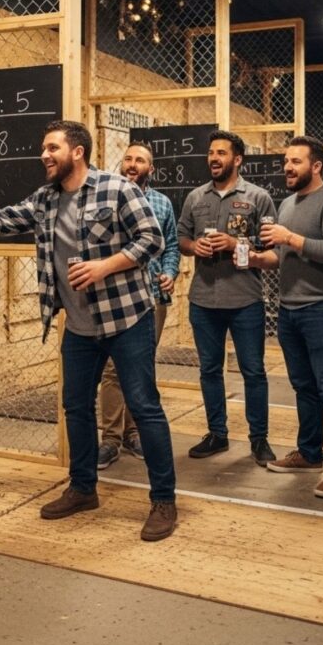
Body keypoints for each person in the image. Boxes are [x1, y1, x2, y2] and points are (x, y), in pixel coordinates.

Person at [0, 120, 178, 541]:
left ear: (76, 152)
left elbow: (152, 239)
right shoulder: (45, 200)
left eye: (52, 148)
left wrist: (104, 265)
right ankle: (83, 489)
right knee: (75, 407)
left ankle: (164, 500)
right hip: (79, 326)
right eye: (44, 148)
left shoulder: (117, 189)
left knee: (145, 406)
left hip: (127, 319)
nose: (44, 155)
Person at [255, 136, 323, 498]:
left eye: (296, 161)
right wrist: (256, 259)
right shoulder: (286, 204)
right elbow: (282, 258)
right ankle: (310, 452)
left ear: (316, 166)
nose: (287, 167)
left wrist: (290, 238)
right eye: (286, 161)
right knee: (303, 386)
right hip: (290, 309)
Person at [177, 130, 278, 466]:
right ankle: (217, 434)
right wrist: (194, 247)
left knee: (253, 371)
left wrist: (236, 245)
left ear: (237, 159)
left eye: (221, 153)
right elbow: (181, 237)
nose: (214, 158)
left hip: (245, 299)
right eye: (211, 153)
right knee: (209, 370)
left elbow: (271, 249)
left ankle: (259, 439)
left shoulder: (258, 197)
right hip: (203, 299)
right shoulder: (195, 197)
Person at [98, 142, 180, 470]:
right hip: (115, 297)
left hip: (151, 299)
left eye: (140, 160)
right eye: (129, 158)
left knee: (140, 366)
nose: (133, 164)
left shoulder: (162, 203)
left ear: (151, 169)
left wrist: (170, 273)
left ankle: (134, 434)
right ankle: (110, 439)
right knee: (112, 369)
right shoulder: (105, 198)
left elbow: (171, 246)